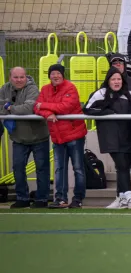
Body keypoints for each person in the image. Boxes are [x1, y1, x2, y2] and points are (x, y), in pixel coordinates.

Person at [84, 67, 131, 209]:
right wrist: (105, 111)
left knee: (124, 167)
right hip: (110, 137)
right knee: (122, 166)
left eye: (119, 79)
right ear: (108, 81)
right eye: (113, 79)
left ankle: (120, 198)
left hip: (129, 136)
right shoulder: (100, 94)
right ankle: (128, 196)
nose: (116, 82)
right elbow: (87, 109)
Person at [34, 64, 87, 209]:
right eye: (52, 74)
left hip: (75, 135)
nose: (55, 76)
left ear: (63, 75)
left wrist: (44, 105)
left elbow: (65, 107)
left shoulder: (70, 87)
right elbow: (35, 108)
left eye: (58, 73)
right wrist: (47, 113)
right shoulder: (45, 89)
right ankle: (60, 199)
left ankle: (78, 198)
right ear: (49, 75)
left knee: (78, 168)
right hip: (57, 137)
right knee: (59, 169)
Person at [0, 67, 50, 208]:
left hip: (39, 136)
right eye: (16, 77)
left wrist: (9, 108)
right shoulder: (4, 88)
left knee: (42, 168)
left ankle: (42, 199)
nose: (19, 80)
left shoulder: (33, 89)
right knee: (18, 167)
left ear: (26, 77)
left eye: (22, 77)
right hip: (18, 138)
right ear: (10, 77)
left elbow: (29, 108)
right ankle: (22, 198)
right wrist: (10, 108)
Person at [107, 53, 131, 200]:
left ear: (124, 65)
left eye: (120, 63)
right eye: (114, 64)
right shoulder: (107, 84)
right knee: (121, 167)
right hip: (117, 132)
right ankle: (121, 196)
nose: (117, 66)